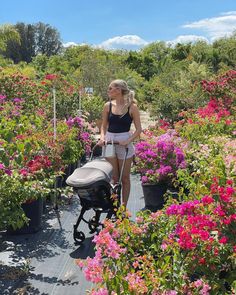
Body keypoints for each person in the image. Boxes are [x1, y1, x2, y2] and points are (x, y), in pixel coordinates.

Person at [98, 79, 142, 207]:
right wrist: (102, 138)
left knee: (125, 178)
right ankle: (115, 206)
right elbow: (103, 126)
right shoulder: (108, 106)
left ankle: (123, 207)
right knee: (114, 178)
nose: (108, 91)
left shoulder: (132, 107)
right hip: (110, 141)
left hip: (124, 141)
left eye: (110, 88)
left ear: (119, 90)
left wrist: (127, 141)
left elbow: (139, 129)